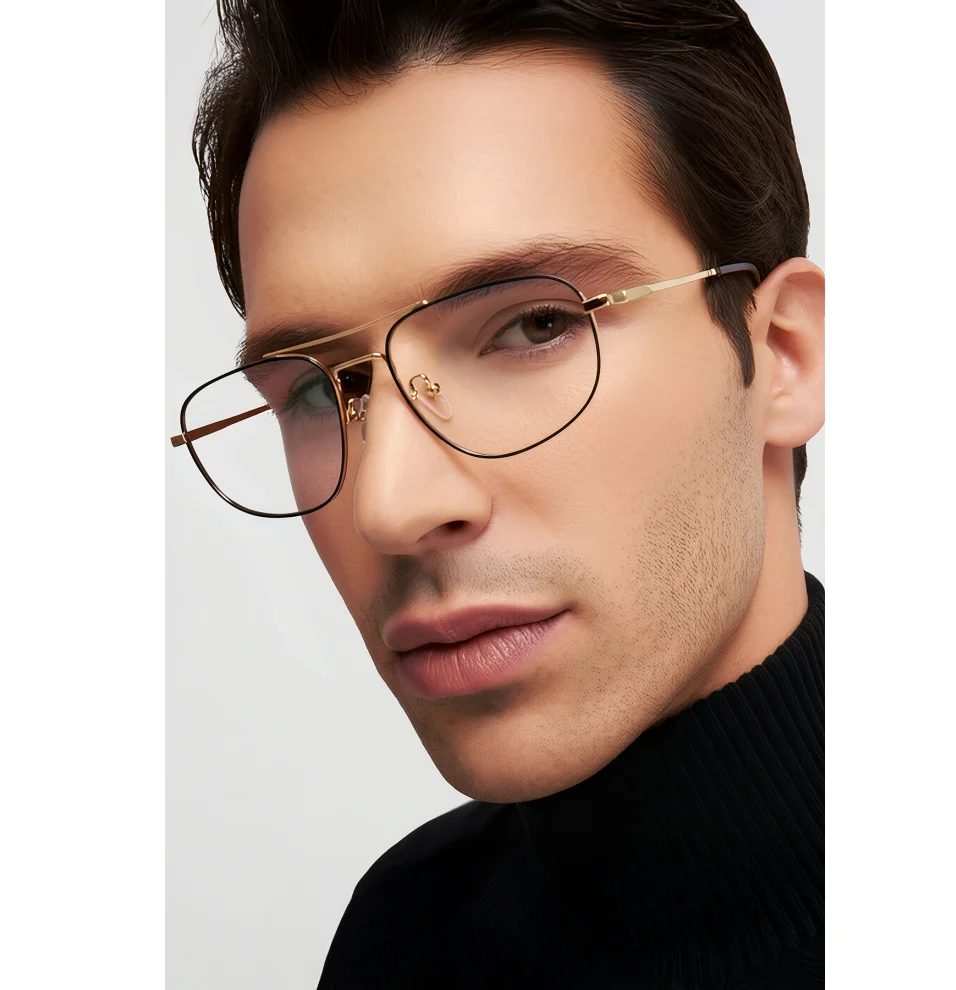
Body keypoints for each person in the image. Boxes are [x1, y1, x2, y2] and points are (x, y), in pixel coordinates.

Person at [170, 1, 825, 985]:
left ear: (784, 357)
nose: (389, 505)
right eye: (314, 388)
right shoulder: (403, 934)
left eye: (531, 327)